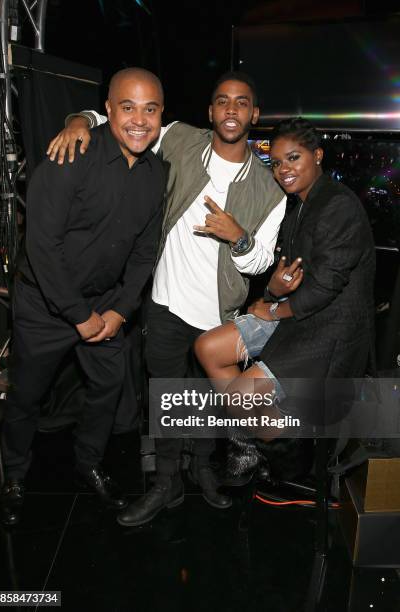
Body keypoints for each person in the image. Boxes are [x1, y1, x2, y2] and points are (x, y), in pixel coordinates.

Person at [46, 71, 287, 527]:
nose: (231, 110)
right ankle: (165, 481)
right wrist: (79, 120)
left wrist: (238, 239)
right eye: (222, 101)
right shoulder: (179, 139)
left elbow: (258, 265)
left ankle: (201, 470)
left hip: (218, 312)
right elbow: (122, 119)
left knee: (205, 395)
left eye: (241, 102)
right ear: (210, 111)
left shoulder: (270, 188)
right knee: (169, 397)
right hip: (166, 302)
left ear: (254, 114)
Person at [1, 68, 166, 526]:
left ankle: (88, 462)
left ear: (160, 115)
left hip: (107, 306)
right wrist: (78, 316)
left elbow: (144, 252)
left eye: (150, 109)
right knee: (27, 396)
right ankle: (14, 474)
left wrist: (118, 310)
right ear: (108, 110)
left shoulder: (157, 174)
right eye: (128, 107)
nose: (139, 119)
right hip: (45, 306)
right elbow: (41, 246)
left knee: (108, 387)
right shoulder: (70, 156)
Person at [195, 117, 375, 439]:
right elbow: (286, 276)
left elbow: (323, 288)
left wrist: (273, 308)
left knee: (239, 396)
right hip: (296, 318)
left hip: (328, 335)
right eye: (276, 162)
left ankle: (280, 447)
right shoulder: (299, 208)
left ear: (317, 155)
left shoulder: (338, 206)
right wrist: (273, 293)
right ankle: (263, 433)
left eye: (293, 158)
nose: (283, 169)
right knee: (208, 348)